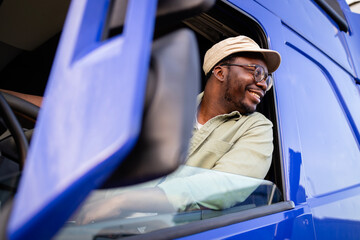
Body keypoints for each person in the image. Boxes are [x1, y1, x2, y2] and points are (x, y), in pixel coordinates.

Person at [73, 35, 282, 224]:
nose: (263, 84)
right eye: (257, 72)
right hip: (89, 220)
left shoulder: (257, 127)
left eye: (267, 79)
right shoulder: (164, 104)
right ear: (220, 72)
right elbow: (93, 124)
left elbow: (224, 187)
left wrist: (125, 202)